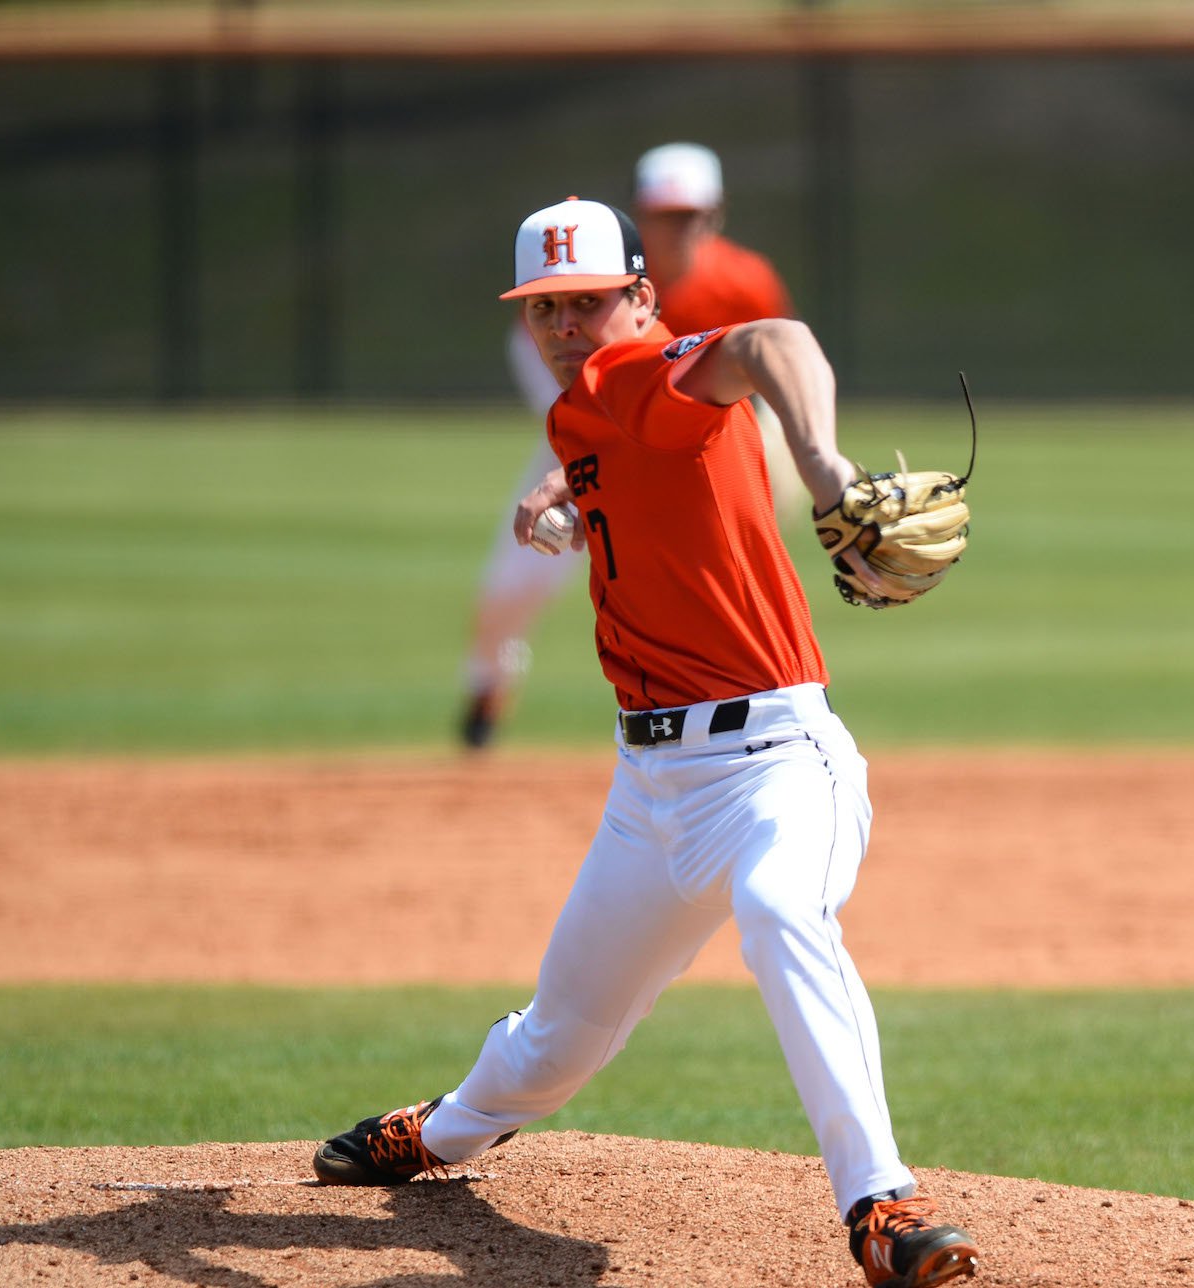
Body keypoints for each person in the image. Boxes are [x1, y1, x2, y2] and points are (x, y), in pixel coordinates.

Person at [312, 196, 982, 1288]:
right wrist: (558, 498)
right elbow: (602, 448)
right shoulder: (581, 413)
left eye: (588, 302)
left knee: (778, 912)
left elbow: (775, 343)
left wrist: (820, 464)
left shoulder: (661, 373)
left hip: (775, 766)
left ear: (641, 299)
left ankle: (881, 1203)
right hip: (649, 789)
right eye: (545, 309)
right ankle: (445, 1132)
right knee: (554, 1038)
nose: (568, 326)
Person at [458, 142, 801, 749]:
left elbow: (771, 360)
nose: (677, 228)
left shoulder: (743, 279)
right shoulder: (593, 270)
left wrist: (797, 450)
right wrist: (589, 441)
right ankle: (489, 686)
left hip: (698, 442)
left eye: (688, 215)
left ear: (714, 215)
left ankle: (756, 689)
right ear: (643, 217)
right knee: (512, 581)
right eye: (664, 216)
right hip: (580, 434)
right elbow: (533, 349)